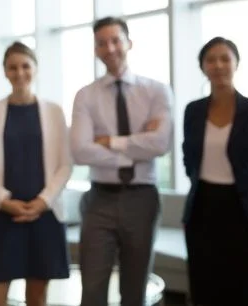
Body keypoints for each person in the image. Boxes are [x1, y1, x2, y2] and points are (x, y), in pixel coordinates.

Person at [70, 16, 173, 306]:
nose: (110, 48)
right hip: (99, 198)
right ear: (95, 50)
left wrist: (111, 142)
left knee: (135, 289)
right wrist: (139, 144)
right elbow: (80, 151)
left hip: (142, 198)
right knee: (91, 289)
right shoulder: (86, 95)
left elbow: (160, 144)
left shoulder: (156, 91)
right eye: (102, 43)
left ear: (129, 43)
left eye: (116, 40)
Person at [182, 37, 248, 306]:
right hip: (202, 207)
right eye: (211, 59)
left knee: (241, 288)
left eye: (225, 58)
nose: (218, 65)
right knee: (204, 288)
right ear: (203, 66)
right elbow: (188, 157)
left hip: (245, 210)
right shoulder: (193, 111)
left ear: (236, 63)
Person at [0, 41, 71, 306]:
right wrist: (5, 202)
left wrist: (43, 201)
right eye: (12, 67)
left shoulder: (54, 111)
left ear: (36, 68)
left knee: (37, 299)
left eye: (25, 66)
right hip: (4, 215)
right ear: (5, 71)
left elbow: (65, 164)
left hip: (45, 215)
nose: (20, 72)